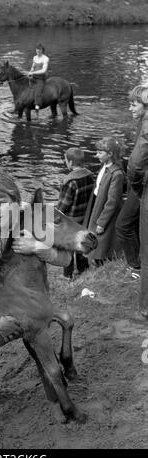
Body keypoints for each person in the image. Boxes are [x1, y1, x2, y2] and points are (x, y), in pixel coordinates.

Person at [0, 171, 71, 406]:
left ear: (16, 203)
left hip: (25, 294)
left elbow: (66, 259)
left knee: (37, 332)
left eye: (0, 204)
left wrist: (39, 248)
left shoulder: (35, 217)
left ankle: (54, 383)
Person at [84, 137, 124, 265]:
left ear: (110, 154)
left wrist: (102, 222)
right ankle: (96, 260)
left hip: (104, 209)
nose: (96, 155)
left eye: (100, 153)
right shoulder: (105, 166)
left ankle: (102, 263)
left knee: (103, 239)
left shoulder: (116, 174)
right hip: (97, 203)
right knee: (95, 237)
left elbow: (112, 201)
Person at [126, 84, 148, 319]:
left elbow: (134, 166)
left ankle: (145, 308)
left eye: (134, 103)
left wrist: (138, 188)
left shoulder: (146, 128)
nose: (130, 107)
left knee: (147, 255)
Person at [57, 147, 94, 278]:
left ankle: (67, 276)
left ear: (71, 162)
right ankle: (84, 271)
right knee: (81, 245)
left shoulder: (70, 181)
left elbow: (63, 206)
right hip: (85, 218)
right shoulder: (90, 176)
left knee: (67, 248)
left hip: (71, 220)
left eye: (66, 160)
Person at [28, 43, 50, 114]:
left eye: (39, 50)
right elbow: (33, 67)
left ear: (42, 50)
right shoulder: (34, 57)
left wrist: (33, 73)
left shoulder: (46, 58)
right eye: (37, 50)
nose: (38, 52)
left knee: (38, 90)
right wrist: (30, 71)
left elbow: (43, 70)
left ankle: (37, 106)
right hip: (34, 76)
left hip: (41, 78)